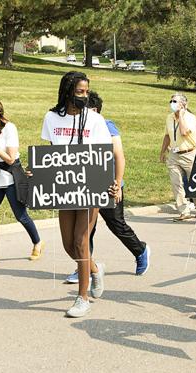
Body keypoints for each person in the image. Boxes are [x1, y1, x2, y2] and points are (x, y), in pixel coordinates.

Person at [40, 72, 116, 317]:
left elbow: (104, 155)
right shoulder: (52, 118)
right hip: (64, 186)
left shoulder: (95, 120)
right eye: (80, 91)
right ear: (68, 91)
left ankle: (82, 298)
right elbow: (52, 153)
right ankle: (95, 269)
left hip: (90, 185)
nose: (85, 96)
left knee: (82, 242)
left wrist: (113, 183)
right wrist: (40, 172)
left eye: (87, 91)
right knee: (68, 245)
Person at [69, 91, 151, 281]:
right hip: (86, 185)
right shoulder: (78, 128)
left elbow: (118, 156)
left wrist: (117, 182)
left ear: (94, 110)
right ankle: (84, 266)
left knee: (117, 225)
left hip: (108, 185)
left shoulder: (107, 126)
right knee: (85, 230)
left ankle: (141, 251)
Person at [0, 97, 43, 270]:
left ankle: (37, 242)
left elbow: (11, 159)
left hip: (12, 176)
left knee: (21, 215)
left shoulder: (10, 129)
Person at [161, 93, 196, 221]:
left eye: (175, 101)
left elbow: (184, 132)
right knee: (176, 183)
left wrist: (181, 116)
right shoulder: (169, 118)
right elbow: (167, 135)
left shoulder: (190, 118)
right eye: (171, 101)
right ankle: (184, 211)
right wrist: (162, 152)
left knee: (194, 183)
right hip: (174, 154)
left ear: (183, 104)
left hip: (189, 153)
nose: (172, 103)